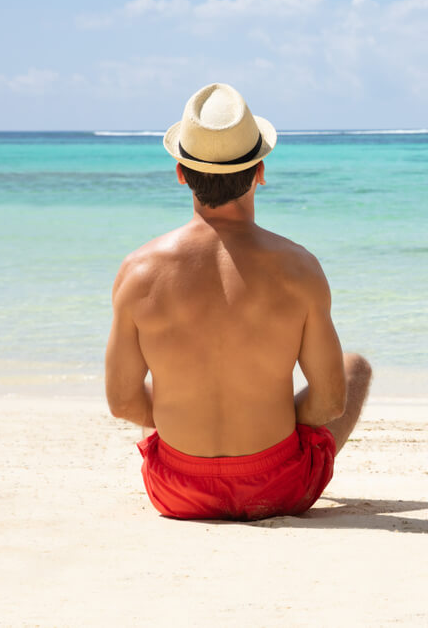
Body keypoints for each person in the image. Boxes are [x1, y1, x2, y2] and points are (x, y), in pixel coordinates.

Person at [105, 83, 371, 521]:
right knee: (355, 365)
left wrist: (186, 411)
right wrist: (268, 416)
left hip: (178, 490)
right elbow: (329, 404)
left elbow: (123, 401)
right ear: (260, 171)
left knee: (163, 379)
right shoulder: (300, 268)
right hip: (278, 487)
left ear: (180, 173)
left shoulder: (138, 272)